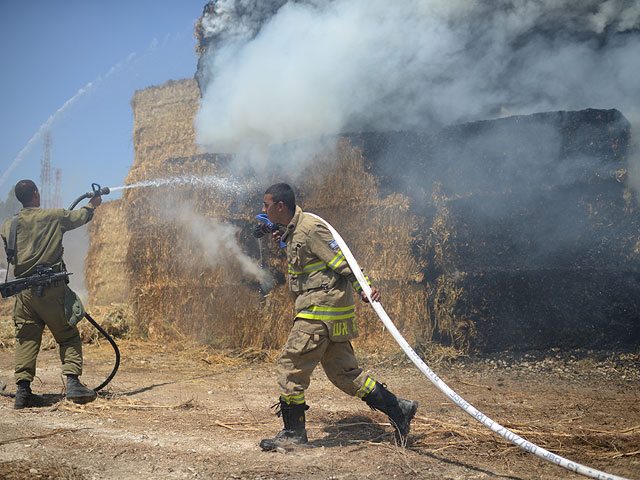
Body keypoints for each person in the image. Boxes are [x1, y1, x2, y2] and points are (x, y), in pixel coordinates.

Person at [258, 183, 418, 450]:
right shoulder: (296, 231)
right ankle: (398, 408)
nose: (262, 210)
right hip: (327, 313)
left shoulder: (310, 228)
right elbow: (309, 259)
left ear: (280, 206)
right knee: (345, 375)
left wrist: (365, 288)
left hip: (318, 311)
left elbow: (344, 261)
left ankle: (294, 434)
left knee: (290, 366)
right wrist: (284, 236)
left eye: (266, 205)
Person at [1, 179, 101, 409]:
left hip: (24, 293)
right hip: (52, 290)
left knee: (26, 339)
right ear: (36, 194)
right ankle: (74, 384)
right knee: (67, 335)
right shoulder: (54, 216)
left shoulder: (9, 225)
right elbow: (80, 217)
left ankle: (23, 393)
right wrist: (92, 204)